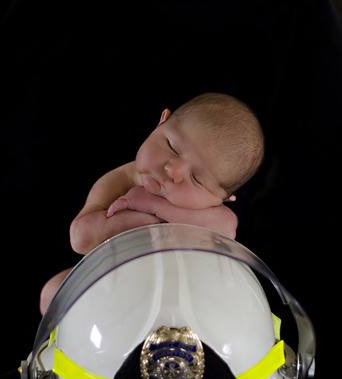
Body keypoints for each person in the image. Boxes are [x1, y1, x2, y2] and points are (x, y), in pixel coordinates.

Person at [39, 92, 264, 314]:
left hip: (182, 300)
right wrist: (156, 225)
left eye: (196, 179)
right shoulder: (119, 181)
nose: (173, 170)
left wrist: (152, 205)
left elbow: (226, 227)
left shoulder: (213, 213)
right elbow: (81, 238)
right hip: (113, 282)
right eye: (172, 147)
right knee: (52, 293)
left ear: (223, 199)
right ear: (161, 122)